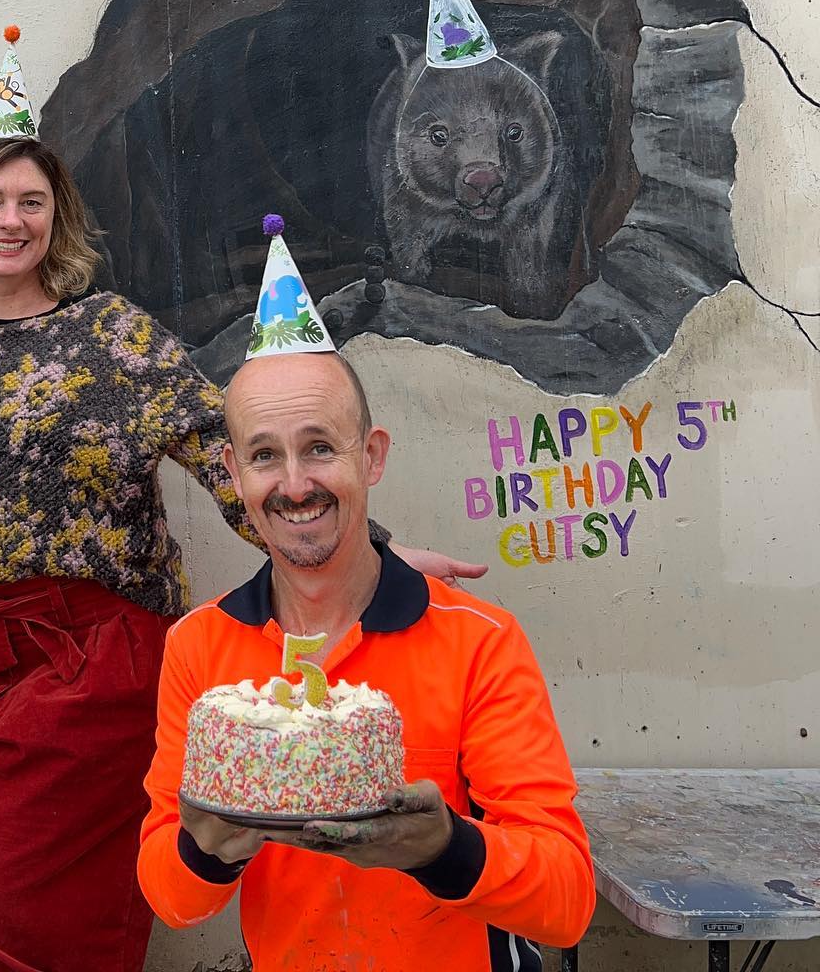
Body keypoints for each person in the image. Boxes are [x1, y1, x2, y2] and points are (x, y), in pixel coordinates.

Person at [0, 30, 486, 972]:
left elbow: (231, 457)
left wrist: (362, 556)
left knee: (18, 900)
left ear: (58, 218)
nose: (10, 221)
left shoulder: (111, 335)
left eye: (32, 202)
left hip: (94, 652)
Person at [138, 218, 595, 971]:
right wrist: (209, 848)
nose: (294, 485)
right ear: (233, 472)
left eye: (320, 446)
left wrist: (445, 848)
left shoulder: (477, 641)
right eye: (264, 456)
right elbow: (172, 899)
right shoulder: (200, 649)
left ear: (371, 455)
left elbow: (567, 900)